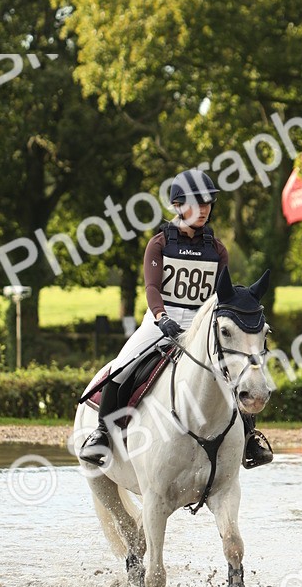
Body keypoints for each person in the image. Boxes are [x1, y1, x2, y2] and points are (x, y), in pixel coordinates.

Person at [78, 169, 273, 468]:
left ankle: (249, 438)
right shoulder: (159, 244)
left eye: (208, 203)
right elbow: (152, 288)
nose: (204, 208)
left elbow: (220, 294)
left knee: (237, 367)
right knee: (120, 369)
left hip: (201, 325)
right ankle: (103, 434)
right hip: (162, 320)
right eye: (197, 202)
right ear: (178, 206)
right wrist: (161, 316)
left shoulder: (217, 249)